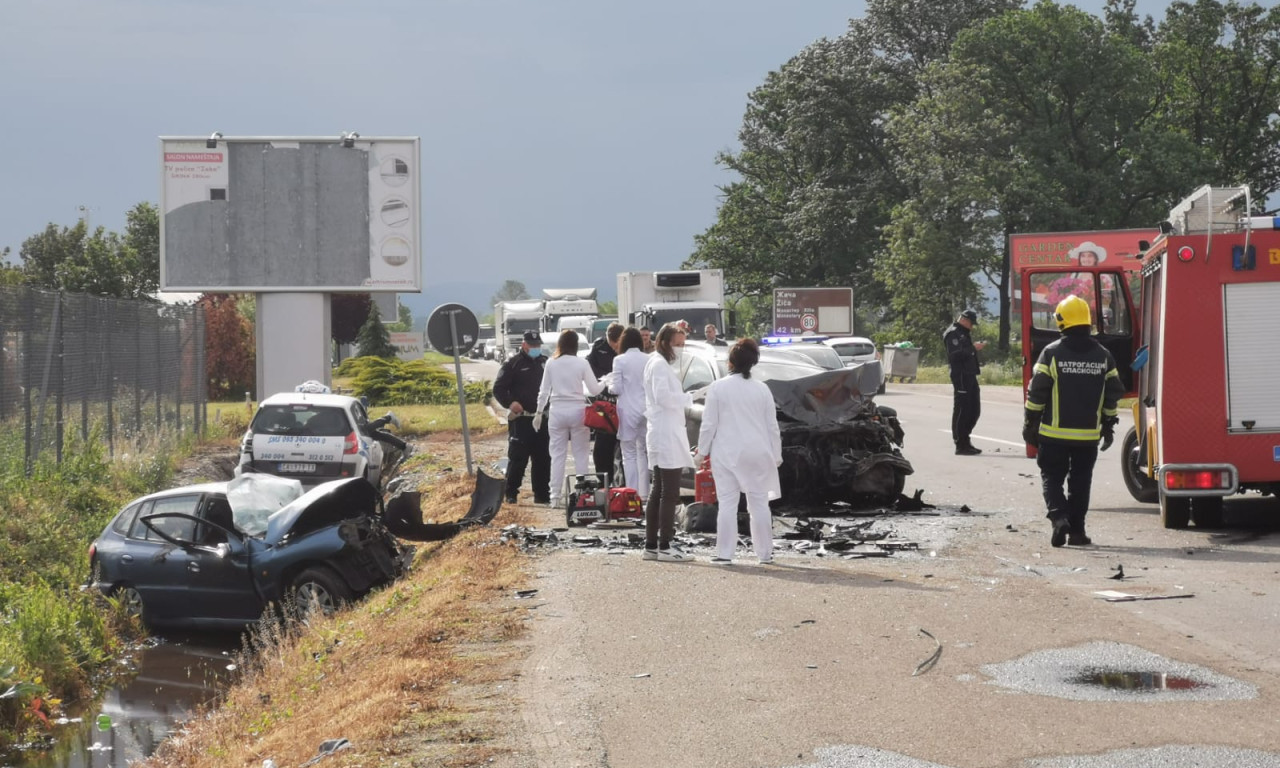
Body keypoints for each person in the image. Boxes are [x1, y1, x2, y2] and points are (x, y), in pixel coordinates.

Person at [1023, 295, 1123, 547]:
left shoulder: (1052, 353)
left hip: (1054, 434)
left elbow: (1037, 393)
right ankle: (1078, 533)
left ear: (1061, 321)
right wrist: (1109, 424)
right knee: (1081, 483)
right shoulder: (1103, 355)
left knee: (1051, 477)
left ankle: (1058, 518)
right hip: (1088, 437)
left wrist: (1030, 422)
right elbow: (1114, 392)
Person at [694, 338, 782, 564]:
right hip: (758, 452)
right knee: (760, 503)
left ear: (730, 361)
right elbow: (772, 426)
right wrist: (777, 454)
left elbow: (709, 424)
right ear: (753, 363)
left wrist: (701, 452)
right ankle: (765, 554)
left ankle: (725, 553)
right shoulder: (762, 389)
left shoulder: (718, 387)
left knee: (727, 504)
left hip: (727, 453)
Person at [642, 323, 695, 562]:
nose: (681, 349)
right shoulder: (660, 365)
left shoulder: (656, 362)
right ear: (665, 342)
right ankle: (665, 545)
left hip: (661, 431)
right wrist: (686, 398)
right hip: (665, 433)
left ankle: (651, 544)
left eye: (683, 344)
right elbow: (664, 398)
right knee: (669, 492)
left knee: (659, 491)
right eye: (678, 344)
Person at [537, 329, 605, 508]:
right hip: (577, 410)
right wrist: (606, 380)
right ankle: (582, 494)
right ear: (575, 345)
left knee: (557, 455)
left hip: (557, 411)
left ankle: (555, 497)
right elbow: (595, 389)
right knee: (581, 454)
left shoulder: (551, 363)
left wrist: (538, 412)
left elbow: (544, 391)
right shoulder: (581, 363)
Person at [493, 330, 551, 505]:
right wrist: (511, 403)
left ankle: (542, 494)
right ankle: (511, 493)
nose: (535, 348)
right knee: (518, 458)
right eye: (532, 345)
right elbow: (499, 389)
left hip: (541, 418)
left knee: (542, 458)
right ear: (524, 345)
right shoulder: (513, 364)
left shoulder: (545, 363)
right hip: (521, 419)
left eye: (537, 345)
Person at [611, 327, 650, 503]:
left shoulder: (619, 360)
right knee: (643, 451)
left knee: (629, 453)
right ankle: (644, 494)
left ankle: (631, 495)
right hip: (646, 409)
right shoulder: (648, 359)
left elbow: (616, 388)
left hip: (627, 409)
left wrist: (608, 385)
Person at [586, 322, 624, 485]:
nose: (615, 346)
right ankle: (603, 481)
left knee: (624, 444)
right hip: (605, 401)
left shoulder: (627, 349)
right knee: (603, 445)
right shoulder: (599, 347)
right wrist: (605, 380)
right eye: (613, 343)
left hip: (623, 401)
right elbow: (590, 369)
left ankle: (623, 483)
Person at [944, 308, 986, 455]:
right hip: (961, 375)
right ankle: (960, 443)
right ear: (964, 320)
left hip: (970, 374)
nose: (972, 327)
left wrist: (973, 349)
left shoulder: (963, 333)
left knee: (974, 409)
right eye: (971, 323)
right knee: (962, 409)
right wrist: (973, 348)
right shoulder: (952, 333)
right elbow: (954, 355)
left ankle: (966, 440)